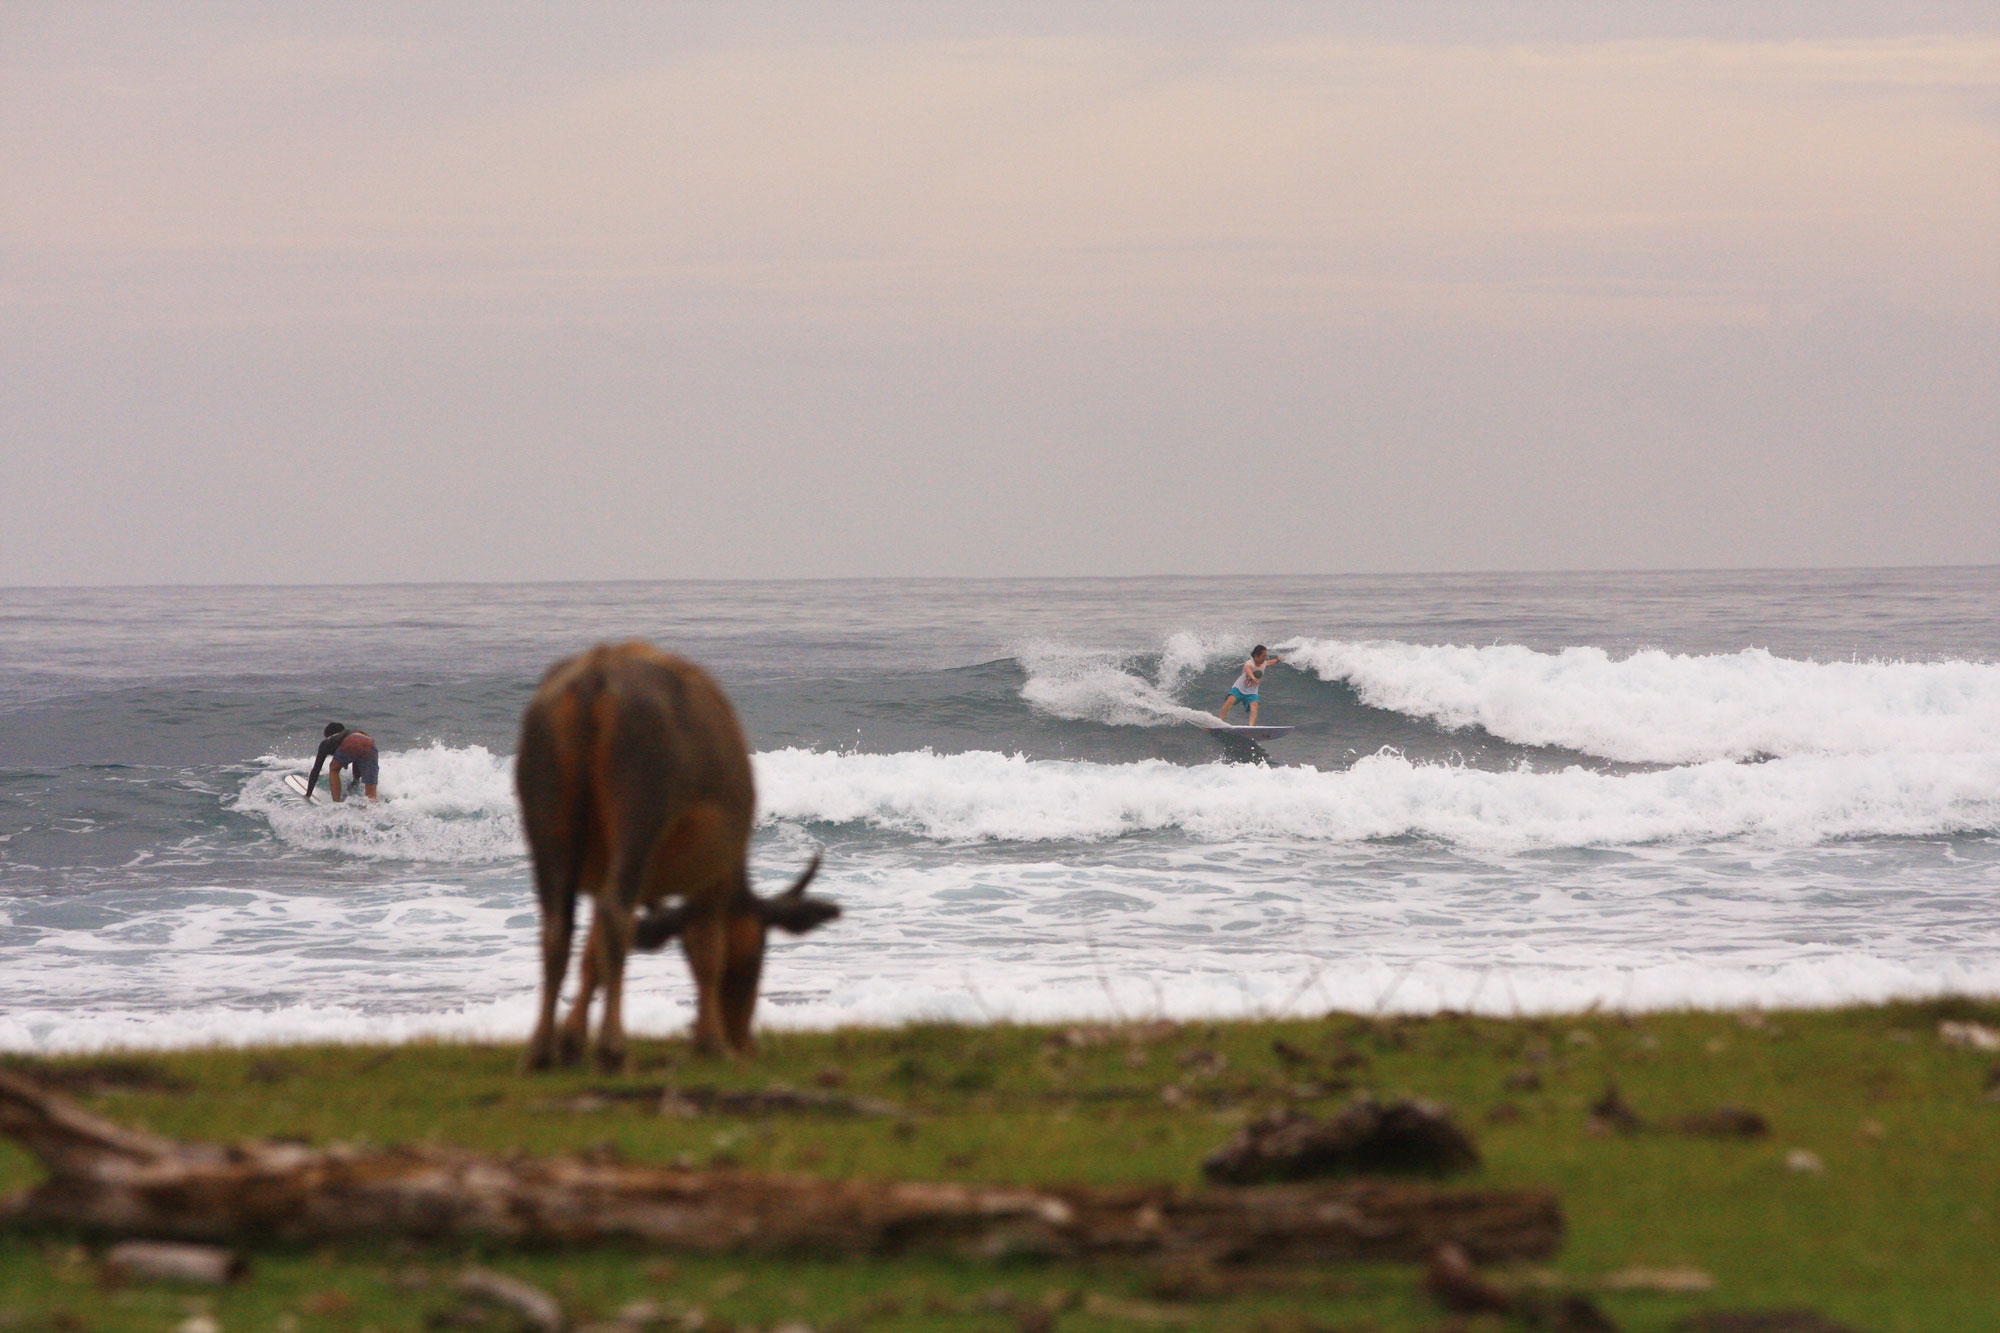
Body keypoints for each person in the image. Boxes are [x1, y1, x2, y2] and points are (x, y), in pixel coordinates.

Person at [306, 722, 379, 802]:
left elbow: (316, 770)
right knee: (371, 794)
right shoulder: (348, 734)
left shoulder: (327, 741)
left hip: (353, 739)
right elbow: (357, 774)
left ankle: (336, 803)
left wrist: (308, 794)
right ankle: (372, 808)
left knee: (334, 768)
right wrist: (348, 791)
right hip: (370, 743)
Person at [1218, 645, 1284, 724]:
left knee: (1255, 706)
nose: (1265, 658)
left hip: (1252, 692)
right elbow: (1247, 669)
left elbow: (1269, 662)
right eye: (1263, 656)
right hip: (1239, 689)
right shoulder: (1249, 663)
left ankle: (1251, 727)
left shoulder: (1264, 663)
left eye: (1265, 656)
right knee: (1229, 702)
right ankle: (1219, 722)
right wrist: (1253, 678)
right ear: (1256, 656)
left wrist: (1277, 660)